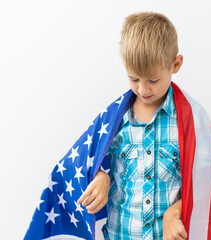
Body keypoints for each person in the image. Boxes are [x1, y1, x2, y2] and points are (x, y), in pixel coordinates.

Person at [76, 11, 187, 240]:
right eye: (134, 79)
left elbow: (207, 185)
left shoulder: (189, 123)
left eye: (153, 80)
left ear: (175, 64)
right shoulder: (114, 120)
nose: (143, 90)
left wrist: (173, 213)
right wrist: (101, 176)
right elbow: (88, 161)